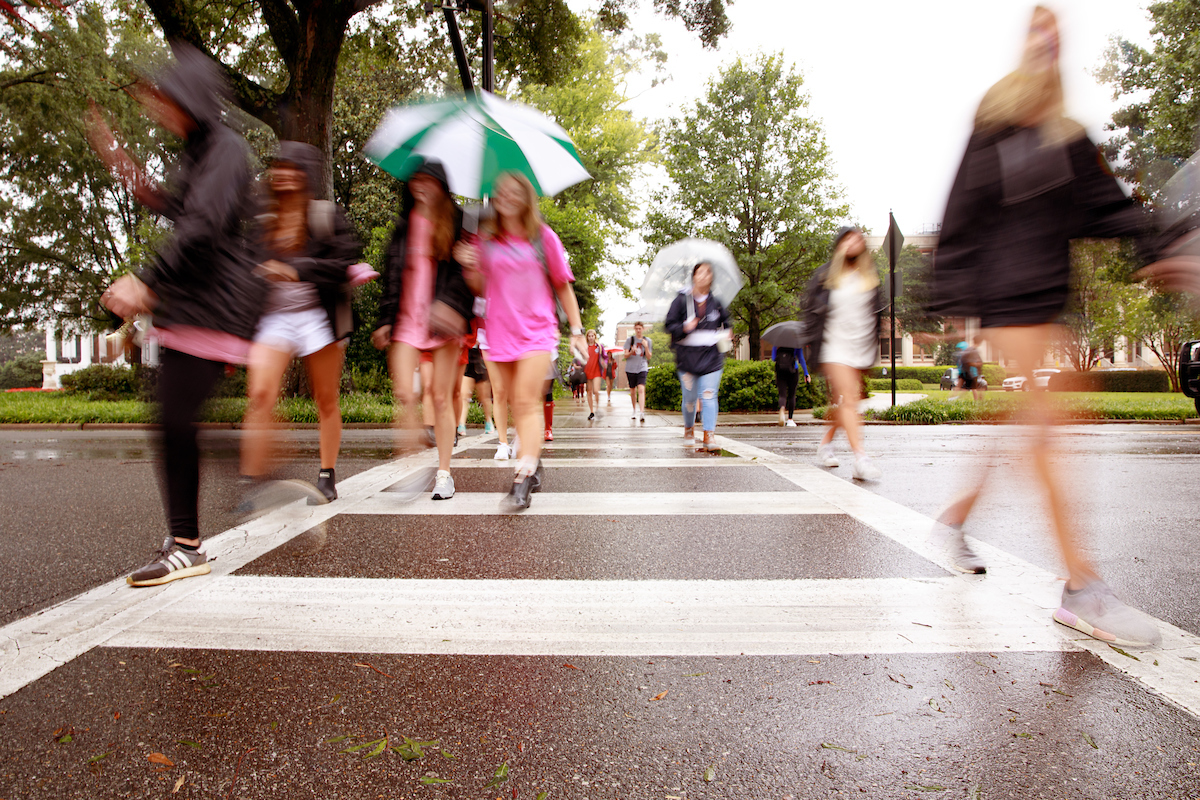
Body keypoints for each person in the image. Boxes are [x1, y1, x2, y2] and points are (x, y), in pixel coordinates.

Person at [929, 6, 1171, 646]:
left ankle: (954, 518)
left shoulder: (1068, 135)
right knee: (1044, 430)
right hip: (1004, 299)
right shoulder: (994, 124)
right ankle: (1081, 585)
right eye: (1036, 31)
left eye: (1055, 35)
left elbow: (1109, 206)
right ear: (1023, 45)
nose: (1045, 43)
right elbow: (960, 212)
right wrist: (951, 297)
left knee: (1032, 421)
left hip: (1048, 300)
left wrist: (1159, 249)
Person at [92, 43, 269, 586]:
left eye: (161, 98)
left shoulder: (226, 149)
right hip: (197, 300)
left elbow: (202, 226)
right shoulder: (199, 151)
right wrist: (129, 172)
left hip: (212, 304)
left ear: (191, 98)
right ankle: (251, 483)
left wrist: (147, 282)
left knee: (173, 417)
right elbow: (181, 209)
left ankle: (191, 541)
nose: (154, 108)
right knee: (175, 418)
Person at [238, 142, 363, 505]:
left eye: (293, 167)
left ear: (306, 174)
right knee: (260, 394)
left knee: (325, 398)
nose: (285, 173)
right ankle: (254, 478)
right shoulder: (263, 221)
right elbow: (246, 273)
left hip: (317, 317)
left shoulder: (325, 215)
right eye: (279, 166)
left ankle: (327, 474)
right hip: (274, 318)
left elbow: (342, 263)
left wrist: (296, 269)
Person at [456, 171, 586, 509]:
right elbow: (480, 289)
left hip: (537, 332)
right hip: (499, 334)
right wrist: (470, 266)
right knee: (513, 402)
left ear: (527, 198)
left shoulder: (543, 238)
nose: (507, 196)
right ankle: (533, 456)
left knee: (527, 401)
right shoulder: (485, 241)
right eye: (501, 192)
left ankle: (522, 476)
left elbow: (562, 285)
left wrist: (576, 330)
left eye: (515, 191)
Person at [372, 159, 473, 501]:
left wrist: (451, 306)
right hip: (406, 322)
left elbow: (463, 277)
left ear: (442, 187)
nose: (420, 185)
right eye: (415, 179)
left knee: (441, 399)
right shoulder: (404, 225)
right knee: (405, 394)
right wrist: (385, 320)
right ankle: (409, 467)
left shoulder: (458, 223)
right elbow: (392, 277)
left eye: (428, 180)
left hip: (442, 322)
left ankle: (444, 474)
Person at [800, 227, 885, 480]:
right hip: (833, 346)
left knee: (848, 403)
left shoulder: (869, 278)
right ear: (839, 246)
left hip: (859, 347)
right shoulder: (825, 276)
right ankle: (861, 459)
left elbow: (876, 317)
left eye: (857, 238)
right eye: (847, 238)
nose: (852, 242)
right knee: (849, 398)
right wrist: (810, 343)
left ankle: (826, 444)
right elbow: (809, 311)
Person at [664, 262, 730, 453]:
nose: (703, 276)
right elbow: (669, 325)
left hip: (711, 358)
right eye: (699, 272)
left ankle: (709, 436)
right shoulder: (681, 301)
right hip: (687, 359)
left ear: (711, 278)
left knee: (709, 395)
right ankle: (689, 429)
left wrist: (728, 332)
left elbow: (727, 322)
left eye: (708, 272)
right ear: (693, 277)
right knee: (690, 399)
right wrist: (684, 327)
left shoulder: (716, 302)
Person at [457, 318, 495, 437]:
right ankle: (461, 424)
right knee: (463, 394)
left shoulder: (484, 318)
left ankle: (489, 421)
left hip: (481, 357)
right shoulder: (467, 317)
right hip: (468, 356)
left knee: (484, 396)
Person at [772, 345, 808, 426]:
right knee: (792, 395)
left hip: (780, 370)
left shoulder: (777, 342)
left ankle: (782, 408)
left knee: (782, 395)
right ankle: (790, 419)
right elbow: (801, 359)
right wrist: (806, 373)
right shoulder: (796, 343)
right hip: (793, 370)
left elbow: (773, 358)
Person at [624, 321, 652, 423]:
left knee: (641, 389)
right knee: (632, 391)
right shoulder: (630, 340)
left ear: (643, 329)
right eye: (636, 328)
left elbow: (649, 357)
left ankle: (641, 412)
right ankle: (634, 410)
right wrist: (632, 351)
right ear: (634, 329)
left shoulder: (647, 340)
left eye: (640, 328)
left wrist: (646, 347)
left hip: (642, 367)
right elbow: (625, 356)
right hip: (630, 368)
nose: (638, 330)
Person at [583, 329, 607, 420]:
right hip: (587, 371)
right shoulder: (584, 347)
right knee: (589, 391)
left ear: (595, 336)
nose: (591, 337)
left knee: (596, 391)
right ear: (587, 337)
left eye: (592, 335)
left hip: (596, 370)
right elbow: (580, 358)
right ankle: (592, 411)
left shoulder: (599, 347)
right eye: (589, 336)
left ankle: (597, 408)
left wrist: (604, 362)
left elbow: (605, 357)